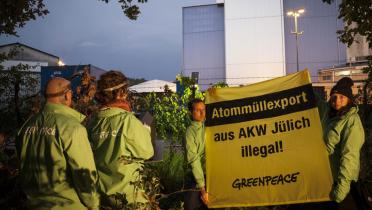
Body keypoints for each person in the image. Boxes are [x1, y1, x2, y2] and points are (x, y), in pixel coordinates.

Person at [16, 77, 100, 210]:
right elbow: (84, 176)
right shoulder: (73, 128)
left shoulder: (26, 126)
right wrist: (94, 205)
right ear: (67, 95)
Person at [87, 70, 154, 208]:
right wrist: (146, 131)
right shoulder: (127, 120)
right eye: (126, 90)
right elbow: (147, 152)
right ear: (120, 93)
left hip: (102, 196)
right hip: (128, 198)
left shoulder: (92, 121)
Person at [317, 77, 365, 209]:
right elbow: (318, 103)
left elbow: (349, 157)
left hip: (343, 183)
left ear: (349, 99)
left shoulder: (351, 121)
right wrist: (302, 86)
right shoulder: (329, 112)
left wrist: (341, 190)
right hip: (328, 179)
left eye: (342, 97)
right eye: (333, 97)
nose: (337, 101)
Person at [184, 98, 209, 210]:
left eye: (203, 109)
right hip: (195, 179)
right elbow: (193, 160)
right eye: (198, 110)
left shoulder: (207, 127)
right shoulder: (190, 132)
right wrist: (202, 189)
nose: (202, 113)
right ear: (191, 112)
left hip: (209, 176)